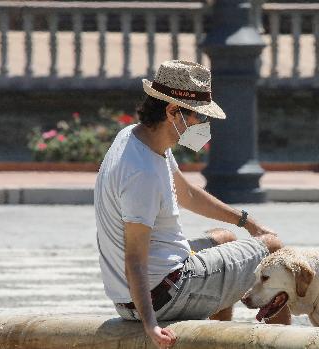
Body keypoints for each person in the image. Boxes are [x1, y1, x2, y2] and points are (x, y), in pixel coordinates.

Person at [94, 60, 290, 349]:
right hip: (160, 296)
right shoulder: (142, 173)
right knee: (273, 249)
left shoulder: (140, 139)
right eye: (199, 117)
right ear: (173, 112)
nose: (203, 125)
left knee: (224, 239)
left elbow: (187, 194)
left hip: (139, 292)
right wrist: (151, 326)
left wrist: (246, 221)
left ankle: (216, 342)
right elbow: (134, 258)